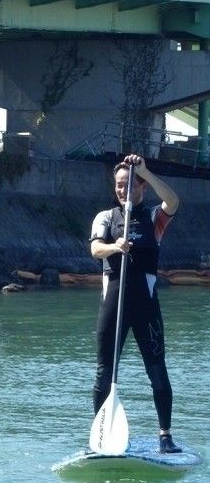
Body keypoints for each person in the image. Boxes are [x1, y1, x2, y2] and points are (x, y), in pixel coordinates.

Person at [89, 154, 181, 453]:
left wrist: (145, 171)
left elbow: (173, 201)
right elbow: (95, 250)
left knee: (156, 370)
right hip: (113, 306)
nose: (122, 189)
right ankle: (102, 436)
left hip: (146, 307)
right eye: (118, 184)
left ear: (141, 186)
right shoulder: (106, 217)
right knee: (104, 372)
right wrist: (116, 246)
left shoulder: (154, 217)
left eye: (128, 184)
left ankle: (165, 436)